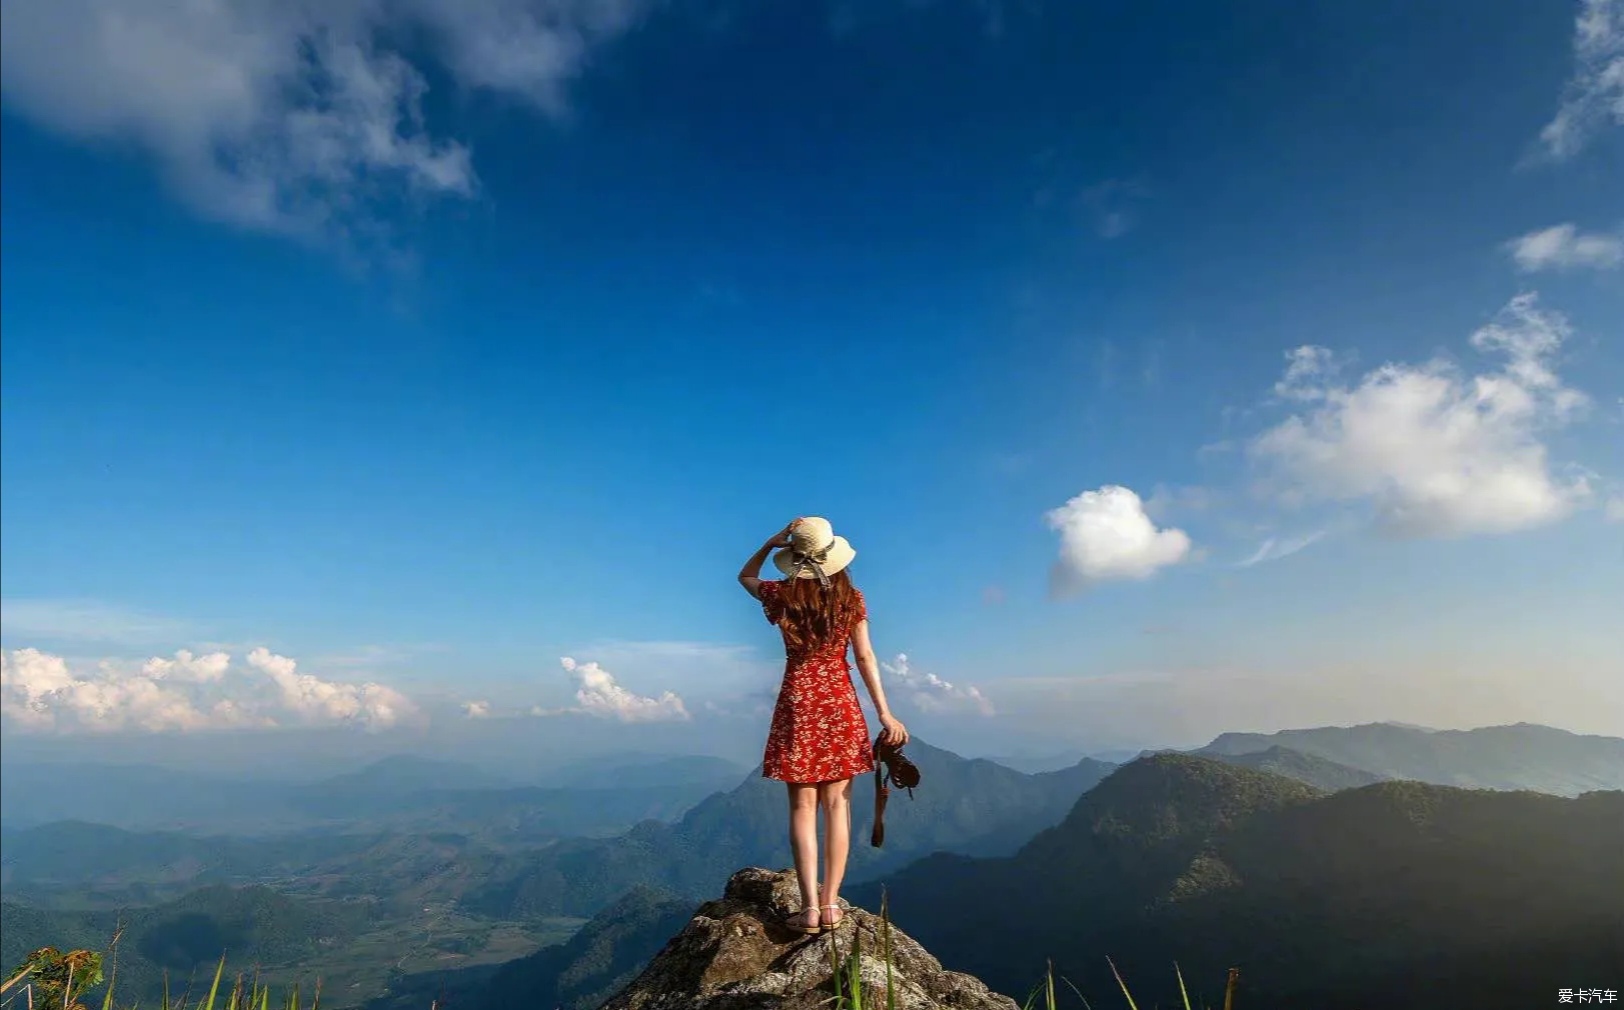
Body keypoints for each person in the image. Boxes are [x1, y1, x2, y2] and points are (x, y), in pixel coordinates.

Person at [737, 516, 909, 936]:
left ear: (794, 557)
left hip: (798, 700)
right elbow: (865, 657)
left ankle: (810, 909)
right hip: (838, 700)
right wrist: (885, 713)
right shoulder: (852, 598)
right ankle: (831, 906)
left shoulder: (780, 595)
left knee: (801, 807)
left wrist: (768, 542)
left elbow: (745, 576)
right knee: (838, 806)